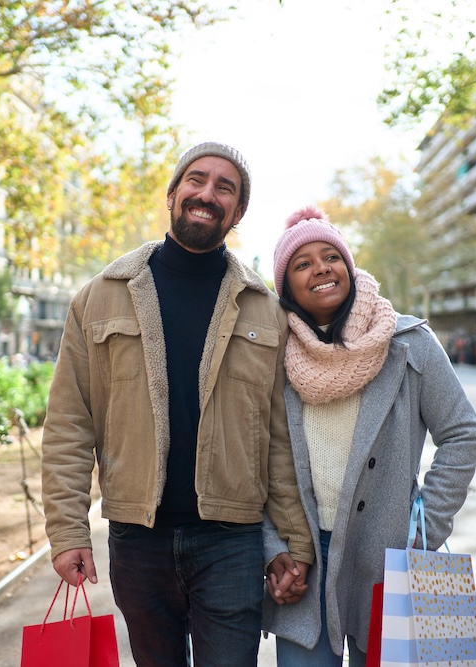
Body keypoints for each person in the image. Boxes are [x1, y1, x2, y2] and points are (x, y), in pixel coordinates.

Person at [40, 142, 315, 666]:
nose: (206, 193)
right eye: (196, 179)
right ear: (172, 194)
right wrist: (68, 532)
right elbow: (70, 425)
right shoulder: (100, 296)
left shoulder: (264, 308)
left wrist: (291, 542)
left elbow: (279, 439)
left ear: (237, 213)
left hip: (231, 542)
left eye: (224, 188)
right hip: (137, 539)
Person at [261, 206, 476, 666]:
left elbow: (463, 434)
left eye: (331, 256)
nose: (321, 268)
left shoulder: (409, 342)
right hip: (304, 560)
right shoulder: (270, 356)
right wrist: (274, 551)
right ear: (286, 288)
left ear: (348, 265)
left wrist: (423, 531)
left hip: (390, 557)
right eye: (302, 264)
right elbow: (255, 462)